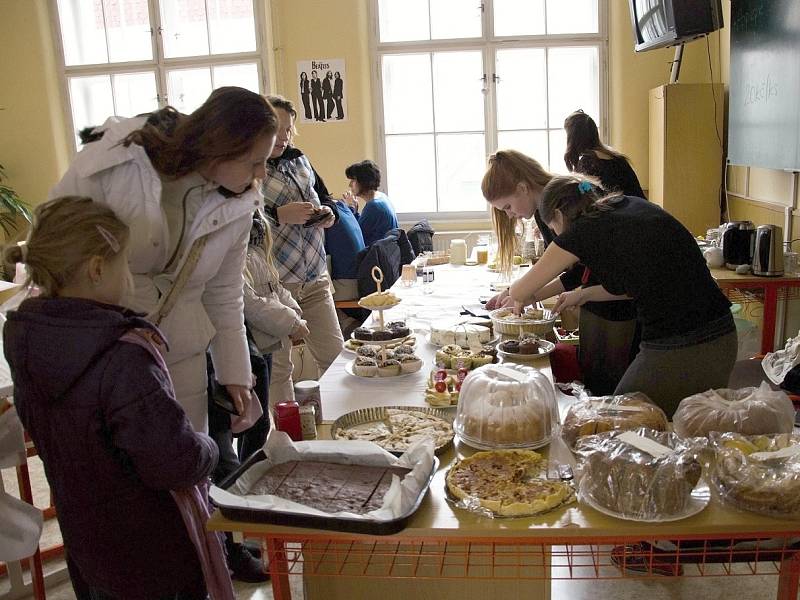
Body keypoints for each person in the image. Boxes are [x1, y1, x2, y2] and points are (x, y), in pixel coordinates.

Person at [3, 196, 227, 600]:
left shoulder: (27, 338)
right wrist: (209, 448)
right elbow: (172, 461)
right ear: (96, 269)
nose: (129, 274)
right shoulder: (122, 357)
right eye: (125, 262)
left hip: (87, 542)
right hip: (153, 551)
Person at [49, 87, 278, 434]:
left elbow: (224, 292)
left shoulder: (240, 203)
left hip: (181, 347)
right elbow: (53, 242)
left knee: (184, 463)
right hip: (101, 349)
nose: (261, 174)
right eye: (255, 162)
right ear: (221, 148)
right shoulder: (117, 160)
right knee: (113, 469)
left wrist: (235, 374)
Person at [507, 175, 737, 417]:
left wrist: (515, 294)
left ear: (558, 216)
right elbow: (635, 285)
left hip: (686, 344)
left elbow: (519, 291)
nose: (555, 236)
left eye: (553, 229)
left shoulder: (584, 230)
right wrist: (583, 295)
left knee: (618, 422)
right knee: (660, 427)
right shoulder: (623, 206)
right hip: (718, 335)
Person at [261, 94, 344, 403]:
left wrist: (329, 213)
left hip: (316, 277)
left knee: (335, 356)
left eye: (289, 129)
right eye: (277, 129)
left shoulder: (299, 158)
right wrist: (279, 215)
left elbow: (326, 196)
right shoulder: (249, 166)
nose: (284, 136)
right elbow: (242, 223)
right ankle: (287, 441)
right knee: (281, 367)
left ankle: (341, 423)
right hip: (278, 283)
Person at [560, 110, 647, 394]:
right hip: (637, 232)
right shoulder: (616, 158)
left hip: (616, 240)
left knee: (606, 351)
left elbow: (588, 195)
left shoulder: (588, 162)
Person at [244, 210, 310, 406]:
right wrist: (291, 322)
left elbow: (275, 287)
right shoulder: (236, 259)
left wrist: (294, 315)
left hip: (270, 338)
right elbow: (250, 302)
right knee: (259, 410)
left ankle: (287, 432)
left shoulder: (256, 253)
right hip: (253, 343)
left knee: (281, 375)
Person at [564, 109, 646, 199]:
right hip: (640, 208)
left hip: (623, 211)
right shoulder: (615, 157)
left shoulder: (589, 163)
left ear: (573, 138)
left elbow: (586, 195)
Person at [343, 159, 398, 247]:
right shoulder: (381, 197)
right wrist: (355, 211)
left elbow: (355, 237)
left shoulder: (374, 206)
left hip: (376, 257)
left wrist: (350, 208)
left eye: (353, 180)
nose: (350, 185)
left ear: (363, 181)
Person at [324, 196, 366, 302]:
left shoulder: (324, 216)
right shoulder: (342, 206)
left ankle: (347, 319)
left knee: (311, 299)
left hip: (347, 283)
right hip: (361, 277)